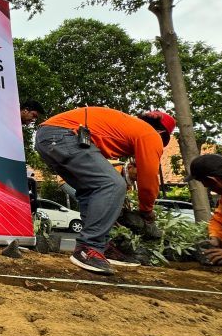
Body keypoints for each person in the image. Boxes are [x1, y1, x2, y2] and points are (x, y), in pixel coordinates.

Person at [35, 107, 175, 275]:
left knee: (91, 190)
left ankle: (100, 247)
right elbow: (149, 179)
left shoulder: (129, 127)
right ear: (161, 133)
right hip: (62, 135)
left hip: (50, 137)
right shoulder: (151, 135)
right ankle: (89, 248)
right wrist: (147, 212)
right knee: (112, 184)